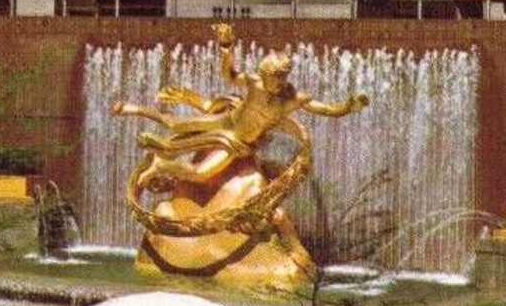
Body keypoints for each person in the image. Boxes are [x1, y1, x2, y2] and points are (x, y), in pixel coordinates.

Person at [113, 22, 369, 190]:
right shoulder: (255, 82)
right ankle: (134, 109)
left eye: (276, 80)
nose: (271, 84)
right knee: (173, 123)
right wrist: (226, 50)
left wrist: (349, 105)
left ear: (283, 78)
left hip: (240, 144)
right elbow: (229, 76)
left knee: (200, 173)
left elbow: (326, 110)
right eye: (268, 79)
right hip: (227, 122)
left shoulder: (293, 99)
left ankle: (161, 165)